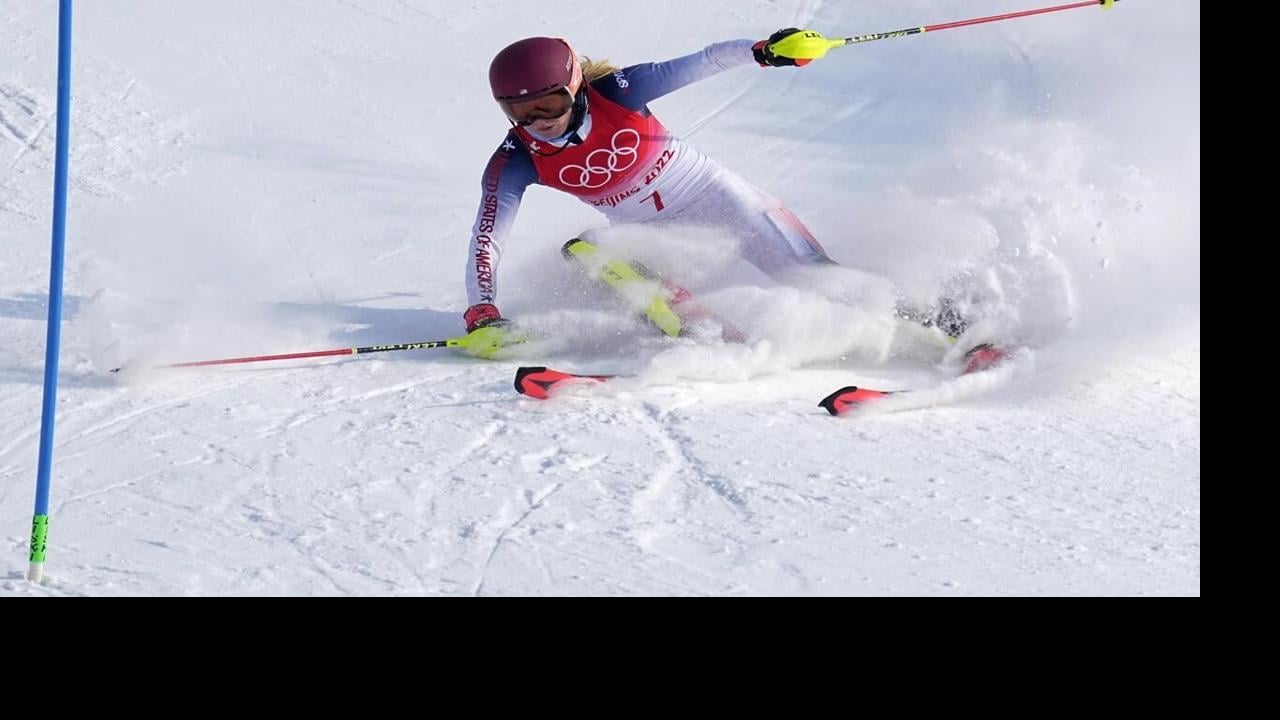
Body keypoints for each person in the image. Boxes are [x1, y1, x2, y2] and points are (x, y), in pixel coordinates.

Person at [461, 30, 1002, 372]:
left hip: (721, 200)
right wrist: (482, 310)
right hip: (660, 236)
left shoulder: (619, 92)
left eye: (549, 104)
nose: (540, 122)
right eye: (520, 112)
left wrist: (767, 51)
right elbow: (488, 235)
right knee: (587, 250)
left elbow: (704, 61)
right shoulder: (516, 160)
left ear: (576, 86)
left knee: (819, 279)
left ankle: (965, 333)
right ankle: (703, 327)